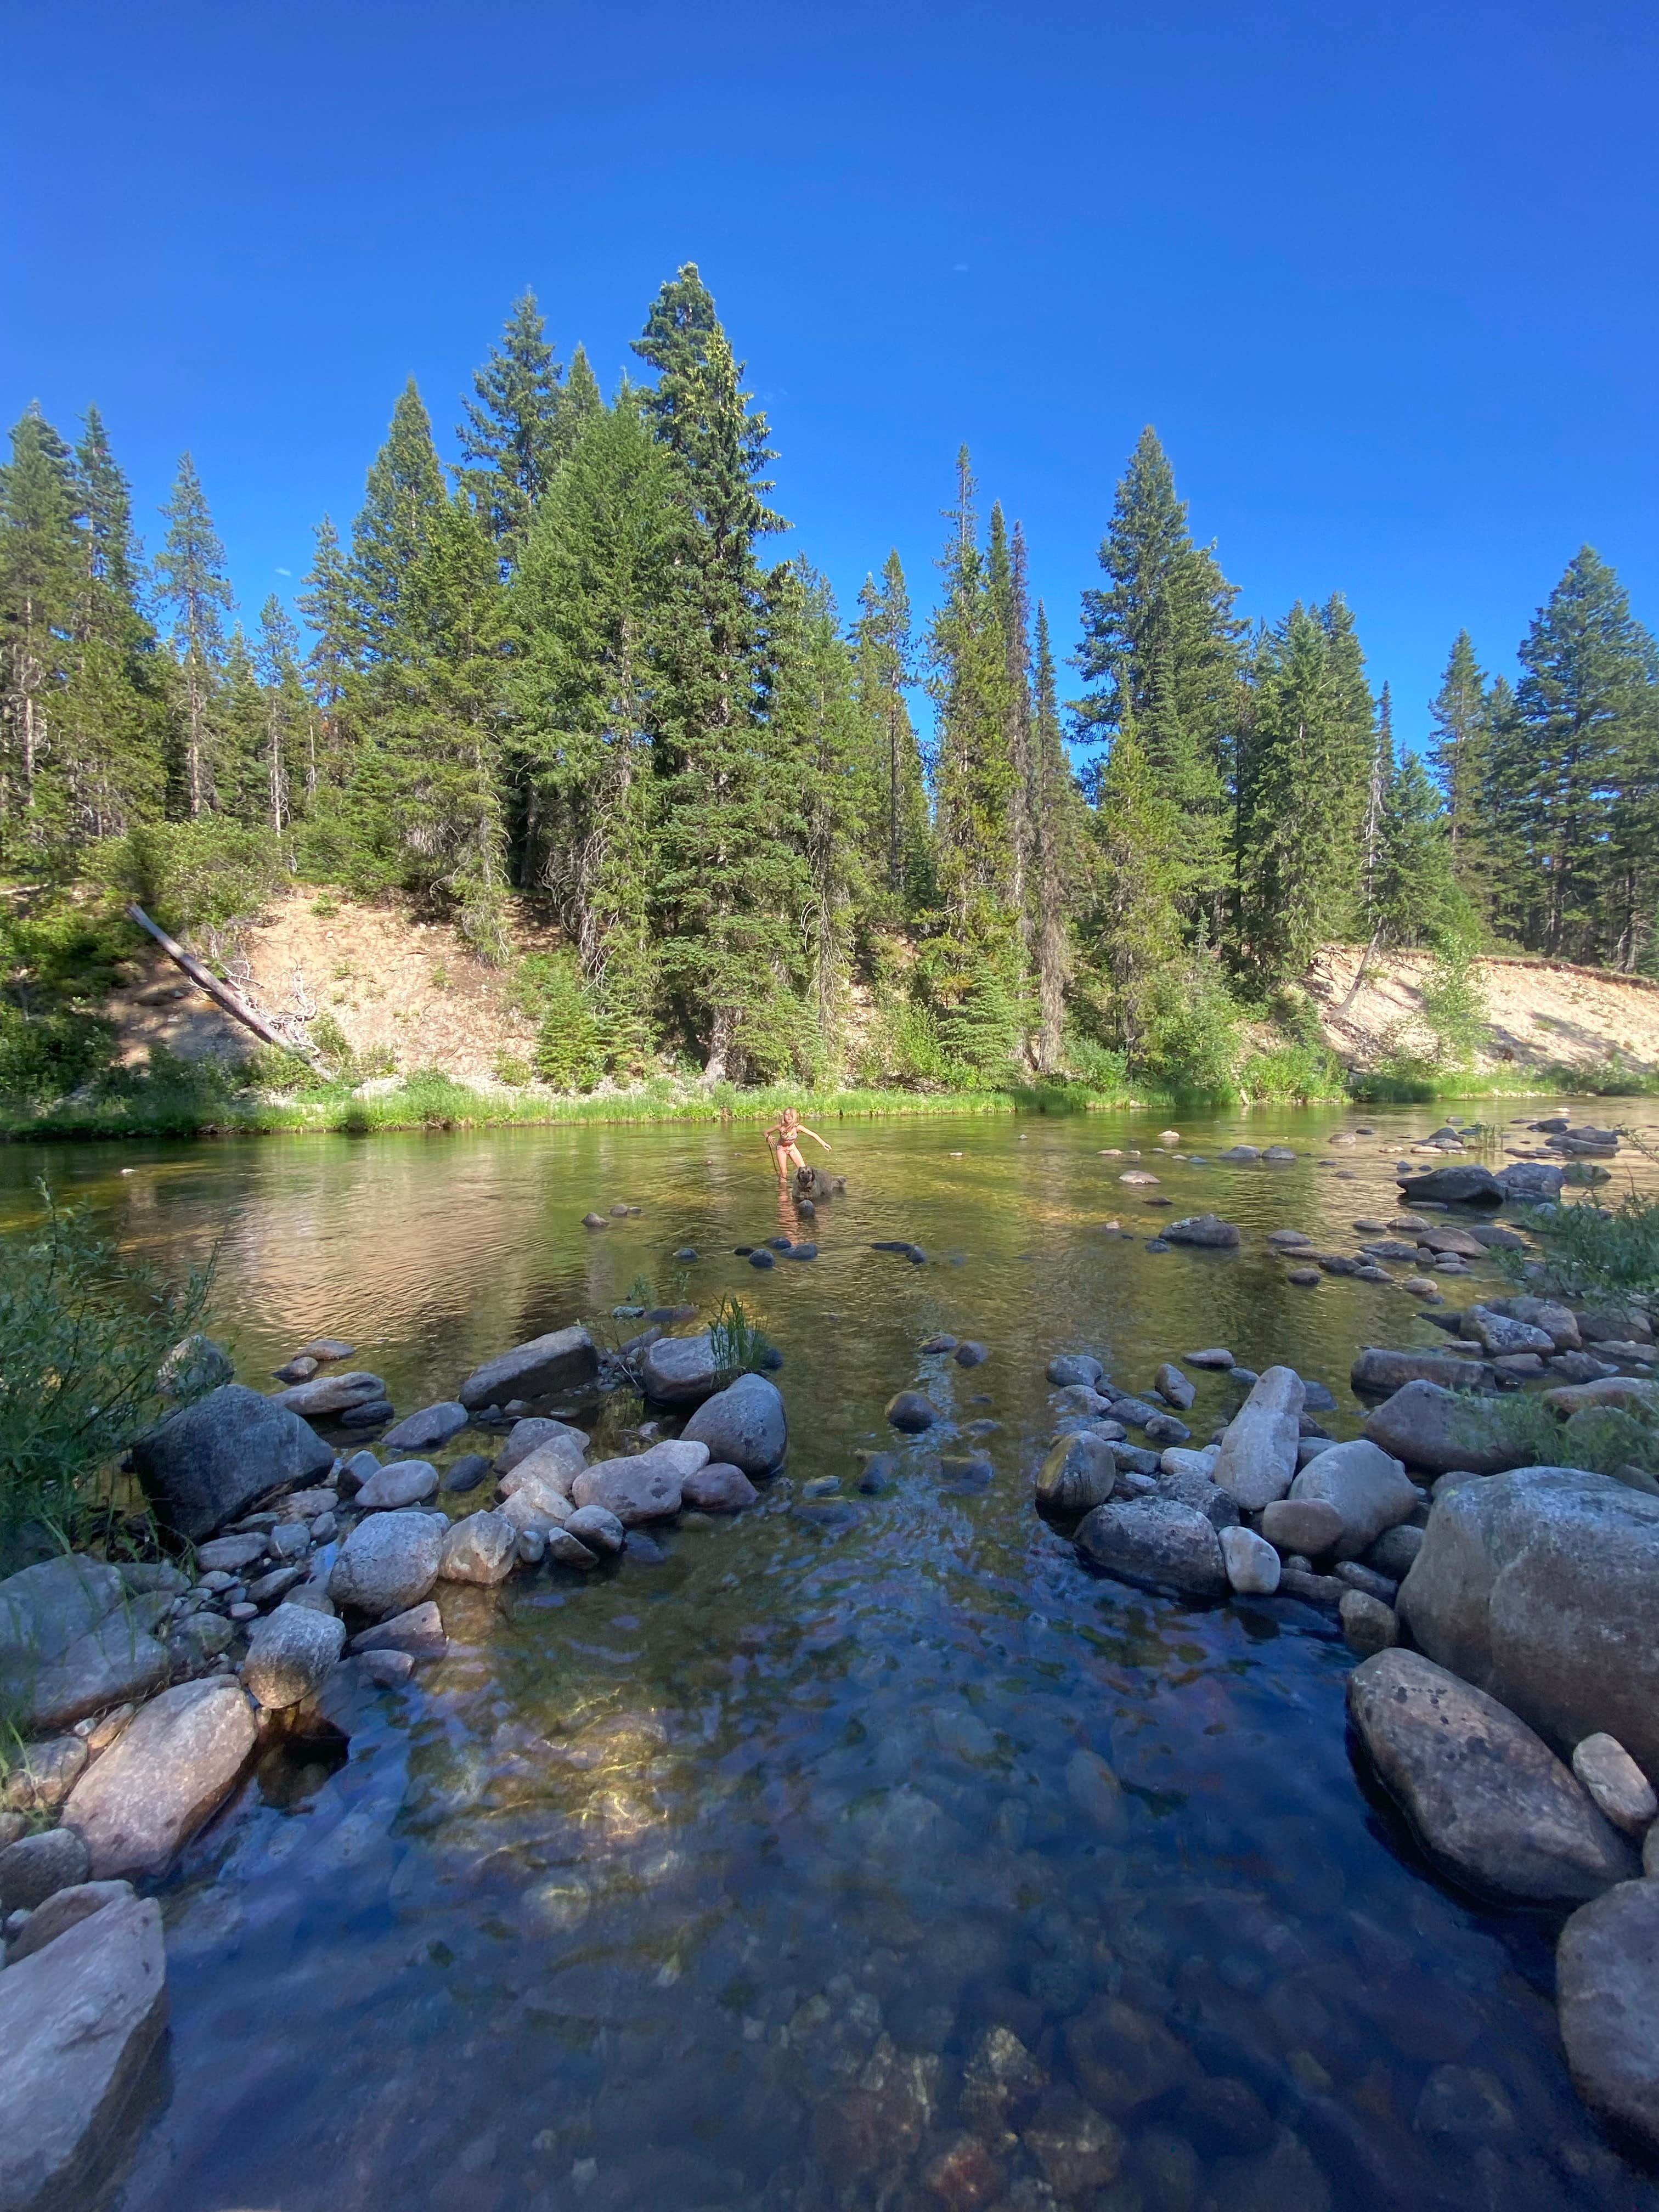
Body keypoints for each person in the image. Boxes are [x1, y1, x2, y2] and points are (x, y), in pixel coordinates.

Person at [765, 1106, 831, 1183]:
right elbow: (765, 1132)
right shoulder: (780, 1127)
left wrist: (824, 1144)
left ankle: (804, 1186)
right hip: (781, 1148)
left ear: (795, 1116)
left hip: (792, 1148)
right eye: (787, 1114)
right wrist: (768, 1137)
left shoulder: (797, 1127)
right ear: (783, 1116)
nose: (789, 1116)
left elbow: (813, 1134)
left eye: (791, 1115)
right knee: (784, 1173)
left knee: (804, 1169)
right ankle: (783, 1189)